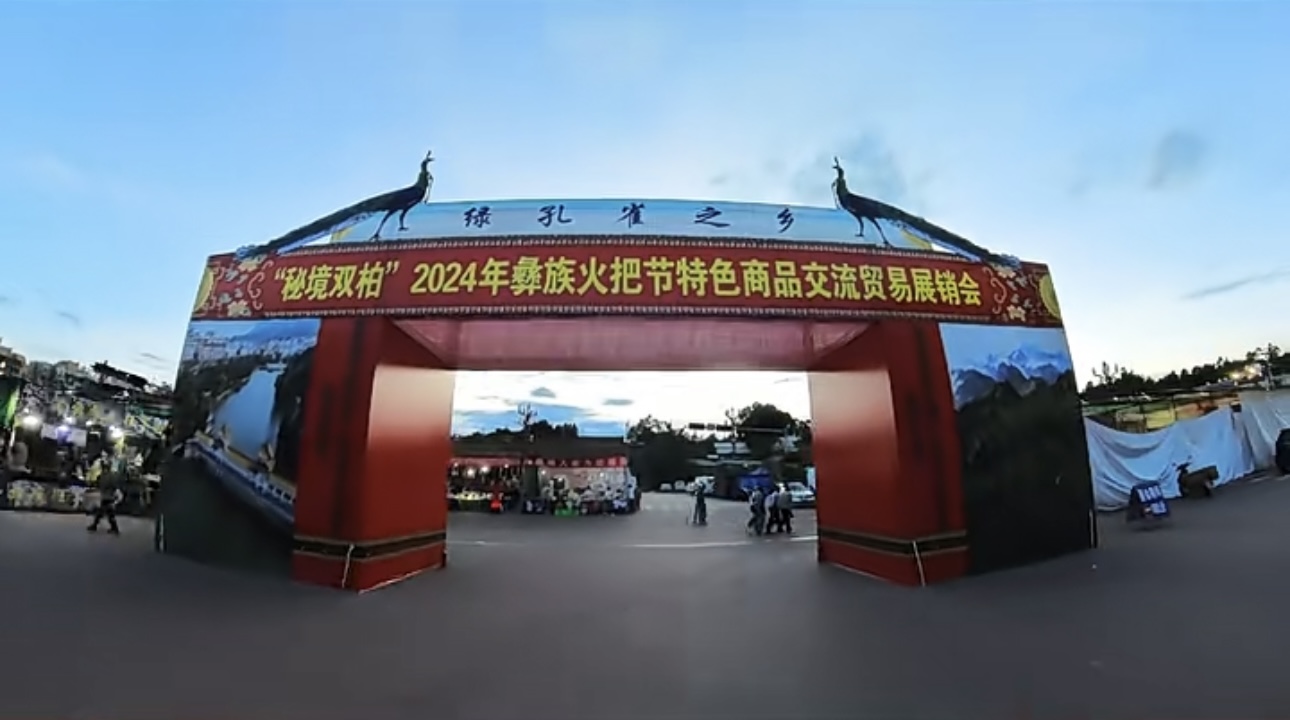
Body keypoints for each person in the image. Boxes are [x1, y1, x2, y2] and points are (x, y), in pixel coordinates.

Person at [88, 463, 123, 535]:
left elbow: (98, 483)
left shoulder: (103, 476)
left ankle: (113, 528)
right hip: (108, 496)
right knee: (107, 513)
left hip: (107, 496)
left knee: (105, 513)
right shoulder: (110, 476)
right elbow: (114, 486)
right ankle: (113, 528)